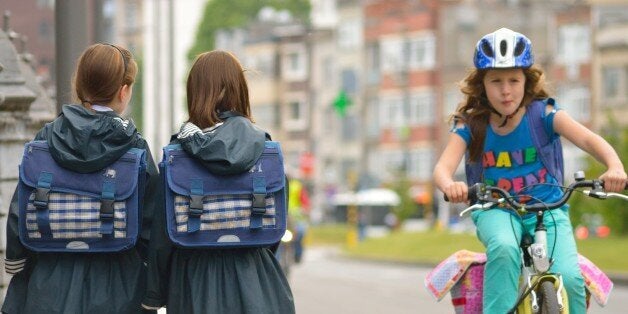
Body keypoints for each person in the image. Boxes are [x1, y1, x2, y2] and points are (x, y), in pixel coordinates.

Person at [433, 28, 627, 314]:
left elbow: (588, 139)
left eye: (514, 80)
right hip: (496, 209)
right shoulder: (471, 125)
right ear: (481, 85)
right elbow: (442, 168)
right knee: (504, 248)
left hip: (547, 208)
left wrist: (615, 166)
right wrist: (450, 184)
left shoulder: (545, 115)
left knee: (571, 278)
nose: (506, 89)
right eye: (496, 81)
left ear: (527, 80)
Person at [2, 43, 159, 313]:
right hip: (118, 286)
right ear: (123, 92)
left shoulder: (47, 138)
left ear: (78, 84)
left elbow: (23, 204)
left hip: (48, 284)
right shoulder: (135, 147)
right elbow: (152, 228)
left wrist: (16, 260)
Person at [141, 50, 295, 314]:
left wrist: (152, 298)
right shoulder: (266, 148)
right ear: (239, 90)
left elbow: (162, 239)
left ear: (195, 93)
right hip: (257, 278)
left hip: (193, 281)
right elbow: (276, 224)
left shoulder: (178, 155)